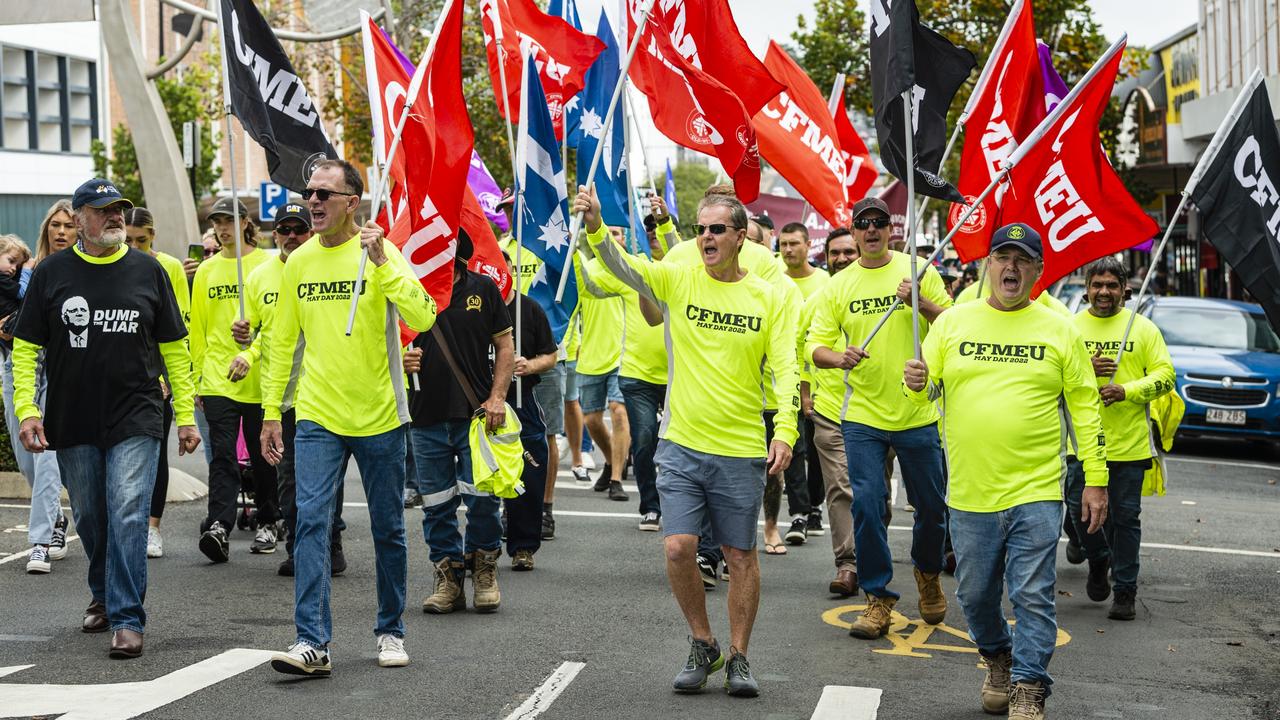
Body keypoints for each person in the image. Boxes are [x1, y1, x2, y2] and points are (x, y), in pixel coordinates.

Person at [576, 184, 798, 698]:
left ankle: (739, 656)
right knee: (678, 548)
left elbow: (786, 368)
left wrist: (784, 429)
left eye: (717, 229)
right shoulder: (678, 278)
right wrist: (594, 226)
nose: (706, 238)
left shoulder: (769, 296)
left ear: (742, 238)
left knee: (740, 556)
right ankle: (703, 643)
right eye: (700, 229)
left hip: (741, 447)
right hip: (681, 443)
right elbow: (626, 265)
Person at [903, 223, 1108, 720]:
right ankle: (997, 655)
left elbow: (1085, 406)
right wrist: (916, 381)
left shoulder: (1059, 328)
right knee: (974, 596)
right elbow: (927, 390)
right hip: (970, 492)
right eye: (1002, 257)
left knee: (1032, 594)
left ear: (1038, 271)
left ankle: (1028, 685)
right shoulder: (952, 324)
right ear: (986, 264)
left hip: (1035, 490)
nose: (1010, 267)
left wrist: (1096, 479)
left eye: (1022, 259)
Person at [261, 159, 437, 675]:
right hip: (317, 414)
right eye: (309, 192)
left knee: (388, 529)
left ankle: (390, 630)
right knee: (311, 522)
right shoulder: (299, 262)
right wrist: (273, 411)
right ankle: (312, 642)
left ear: (351, 203)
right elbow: (284, 346)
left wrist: (383, 262)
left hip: (381, 415)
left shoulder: (382, 252)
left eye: (324, 195)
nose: (312, 203)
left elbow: (424, 315)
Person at [13, 177, 199, 658]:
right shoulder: (52, 273)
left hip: (136, 412)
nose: (116, 216)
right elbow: (28, 347)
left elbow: (174, 347)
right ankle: (102, 591)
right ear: (79, 220)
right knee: (93, 517)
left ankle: (127, 617)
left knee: (129, 511)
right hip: (72, 417)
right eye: (103, 209)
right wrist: (28, 409)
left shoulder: (148, 270)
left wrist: (185, 415)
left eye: (120, 208)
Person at [807, 196, 952, 637]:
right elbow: (817, 347)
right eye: (862, 224)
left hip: (918, 410)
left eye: (879, 223)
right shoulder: (837, 285)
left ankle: (927, 574)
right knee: (868, 506)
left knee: (932, 508)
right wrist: (839, 358)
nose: (871, 230)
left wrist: (921, 304)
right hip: (863, 415)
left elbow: (955, 325)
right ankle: (877, 596)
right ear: (852, 232)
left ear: (893, 229)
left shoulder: (919, 271)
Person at [231, 204, 347, 577]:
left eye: (300, 229)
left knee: (327, 476)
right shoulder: (261, 277)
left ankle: (331, 543)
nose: (293, 236)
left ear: (309, 232)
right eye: (285, 230)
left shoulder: (322, 264)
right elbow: (261, 334)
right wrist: (246, 347)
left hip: (323, 389)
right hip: (281, 395)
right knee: (290, 477)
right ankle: (299, 546)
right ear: (274, 234)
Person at [407, 230, 512, 614]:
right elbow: (385, 340)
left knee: (482, 499)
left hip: (476, 415)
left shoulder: (482, 288)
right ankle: (448, 576)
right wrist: (399, 361)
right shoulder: (408, 288)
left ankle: (484, 569)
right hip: (424, 416)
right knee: (436, 504)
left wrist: (498, 397)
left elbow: (504, 345)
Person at [1067, 258, 1174, 620]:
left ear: (1125, 290)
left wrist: (1126, 390)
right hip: (1080, 444)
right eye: (1097, 285)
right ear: (1086, 289)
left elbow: (1165, 377)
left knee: (1125, 519)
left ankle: (1125, 590)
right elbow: (1050, 379)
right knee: (1079, 514)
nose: (1104, 292)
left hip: (1129, 446)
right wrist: (1085, 369)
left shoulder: (1143, 329)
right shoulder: (1070, 328)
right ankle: (1098, 560)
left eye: (1112, 285)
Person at [191, 197, 278, 562]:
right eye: (218, 222)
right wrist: (196, 378)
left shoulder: (267, 263)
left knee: (263, 457)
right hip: (217, 379)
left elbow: (276, 322)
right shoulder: (206, 271)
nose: (223, 228)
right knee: (223, 456)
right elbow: (198, 329)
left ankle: (270, 520)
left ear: (246, 222)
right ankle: (220, 525)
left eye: (229, 220)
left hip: (260, 378)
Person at [580, 223, 667, 529]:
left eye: (658, 231)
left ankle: (685, 509)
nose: (653, 235)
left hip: (680, 376)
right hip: (636, 374)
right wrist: (574, 251)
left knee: (680, 449)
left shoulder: (682, 266)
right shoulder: (634, 271)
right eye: (648, 231)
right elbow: (593, 284)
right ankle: (651, 507)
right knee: (643, 442)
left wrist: (666, 221)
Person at [123, 208, 190, 559]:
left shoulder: (169, 268)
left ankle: (152, 527)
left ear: (153, 236)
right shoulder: (116, 264)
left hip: (157, 375)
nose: (134, 246)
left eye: (141, 240)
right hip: (122, 375)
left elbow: (178, 329)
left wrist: (169, 380)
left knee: (154, 451)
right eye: (128, 239)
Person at [0, 231, 67, 575]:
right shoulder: (32, 270)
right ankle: (56, 517)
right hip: (16, 367)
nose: (61, 231)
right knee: (27, 459)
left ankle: (40, 542)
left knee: (47, 459)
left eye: (67, 225)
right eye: (55, 225)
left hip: (55, 370)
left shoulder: (71, 272)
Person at [799, 228, 859, 596]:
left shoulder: (887, 293)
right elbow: (804, 349)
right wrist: (806, 394)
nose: (841, 258)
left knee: (874, 492)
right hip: (830, 410)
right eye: (835, 253)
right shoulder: (818, 300)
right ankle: (848, 563)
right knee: (840, 488)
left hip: (880, 413)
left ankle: (874, 554)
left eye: (848, 252)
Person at [500, 250, 557, 569]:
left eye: (504, 269)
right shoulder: (475, 306)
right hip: (481, 406)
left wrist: (529, 364)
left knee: (530, 471)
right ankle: (481, 546)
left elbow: (550, 356)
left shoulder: (530, 309)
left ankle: (523, 547)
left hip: (522, 402)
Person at [574, 230, 631, 501]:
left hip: (622, 356)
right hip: (591, 356)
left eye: (617, 233)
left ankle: (617, 479)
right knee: (592, 421)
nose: (613, 237)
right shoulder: (586, 268)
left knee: (619, 412)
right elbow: (573, 306)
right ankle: (611, 462)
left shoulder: (628, 268)